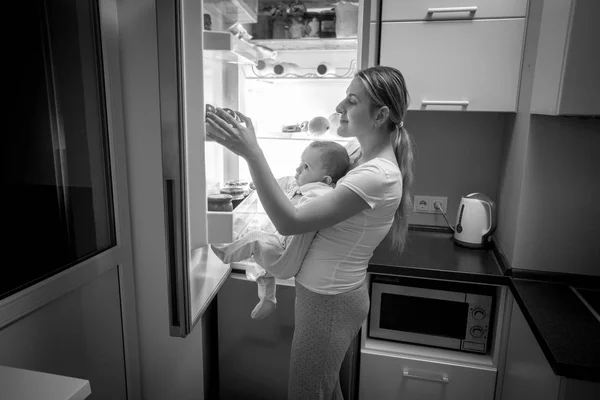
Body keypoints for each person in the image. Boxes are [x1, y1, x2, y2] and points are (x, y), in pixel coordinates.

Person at [206, 65, 415, 400]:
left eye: (351, 101)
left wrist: (251, 152)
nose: (338, 108)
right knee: (324, 389)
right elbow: (314, 176)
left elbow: (289, 222)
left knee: (307, 392)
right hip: (328, 297)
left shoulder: (377, 175)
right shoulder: (361, 156)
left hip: (329, 303)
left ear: (381, 115)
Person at [211, 140, 350, 320]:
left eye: (306, 166)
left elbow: (301, 212)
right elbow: (285, 182)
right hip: (282, 249)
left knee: (256, 238)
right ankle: (268, 299)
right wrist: (259, 183)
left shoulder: (320, 193)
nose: (298, 169)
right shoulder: (305, 185)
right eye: (300, 163)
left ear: (325, 180)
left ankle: (224, 252)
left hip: (287, 257)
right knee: (262, 260)